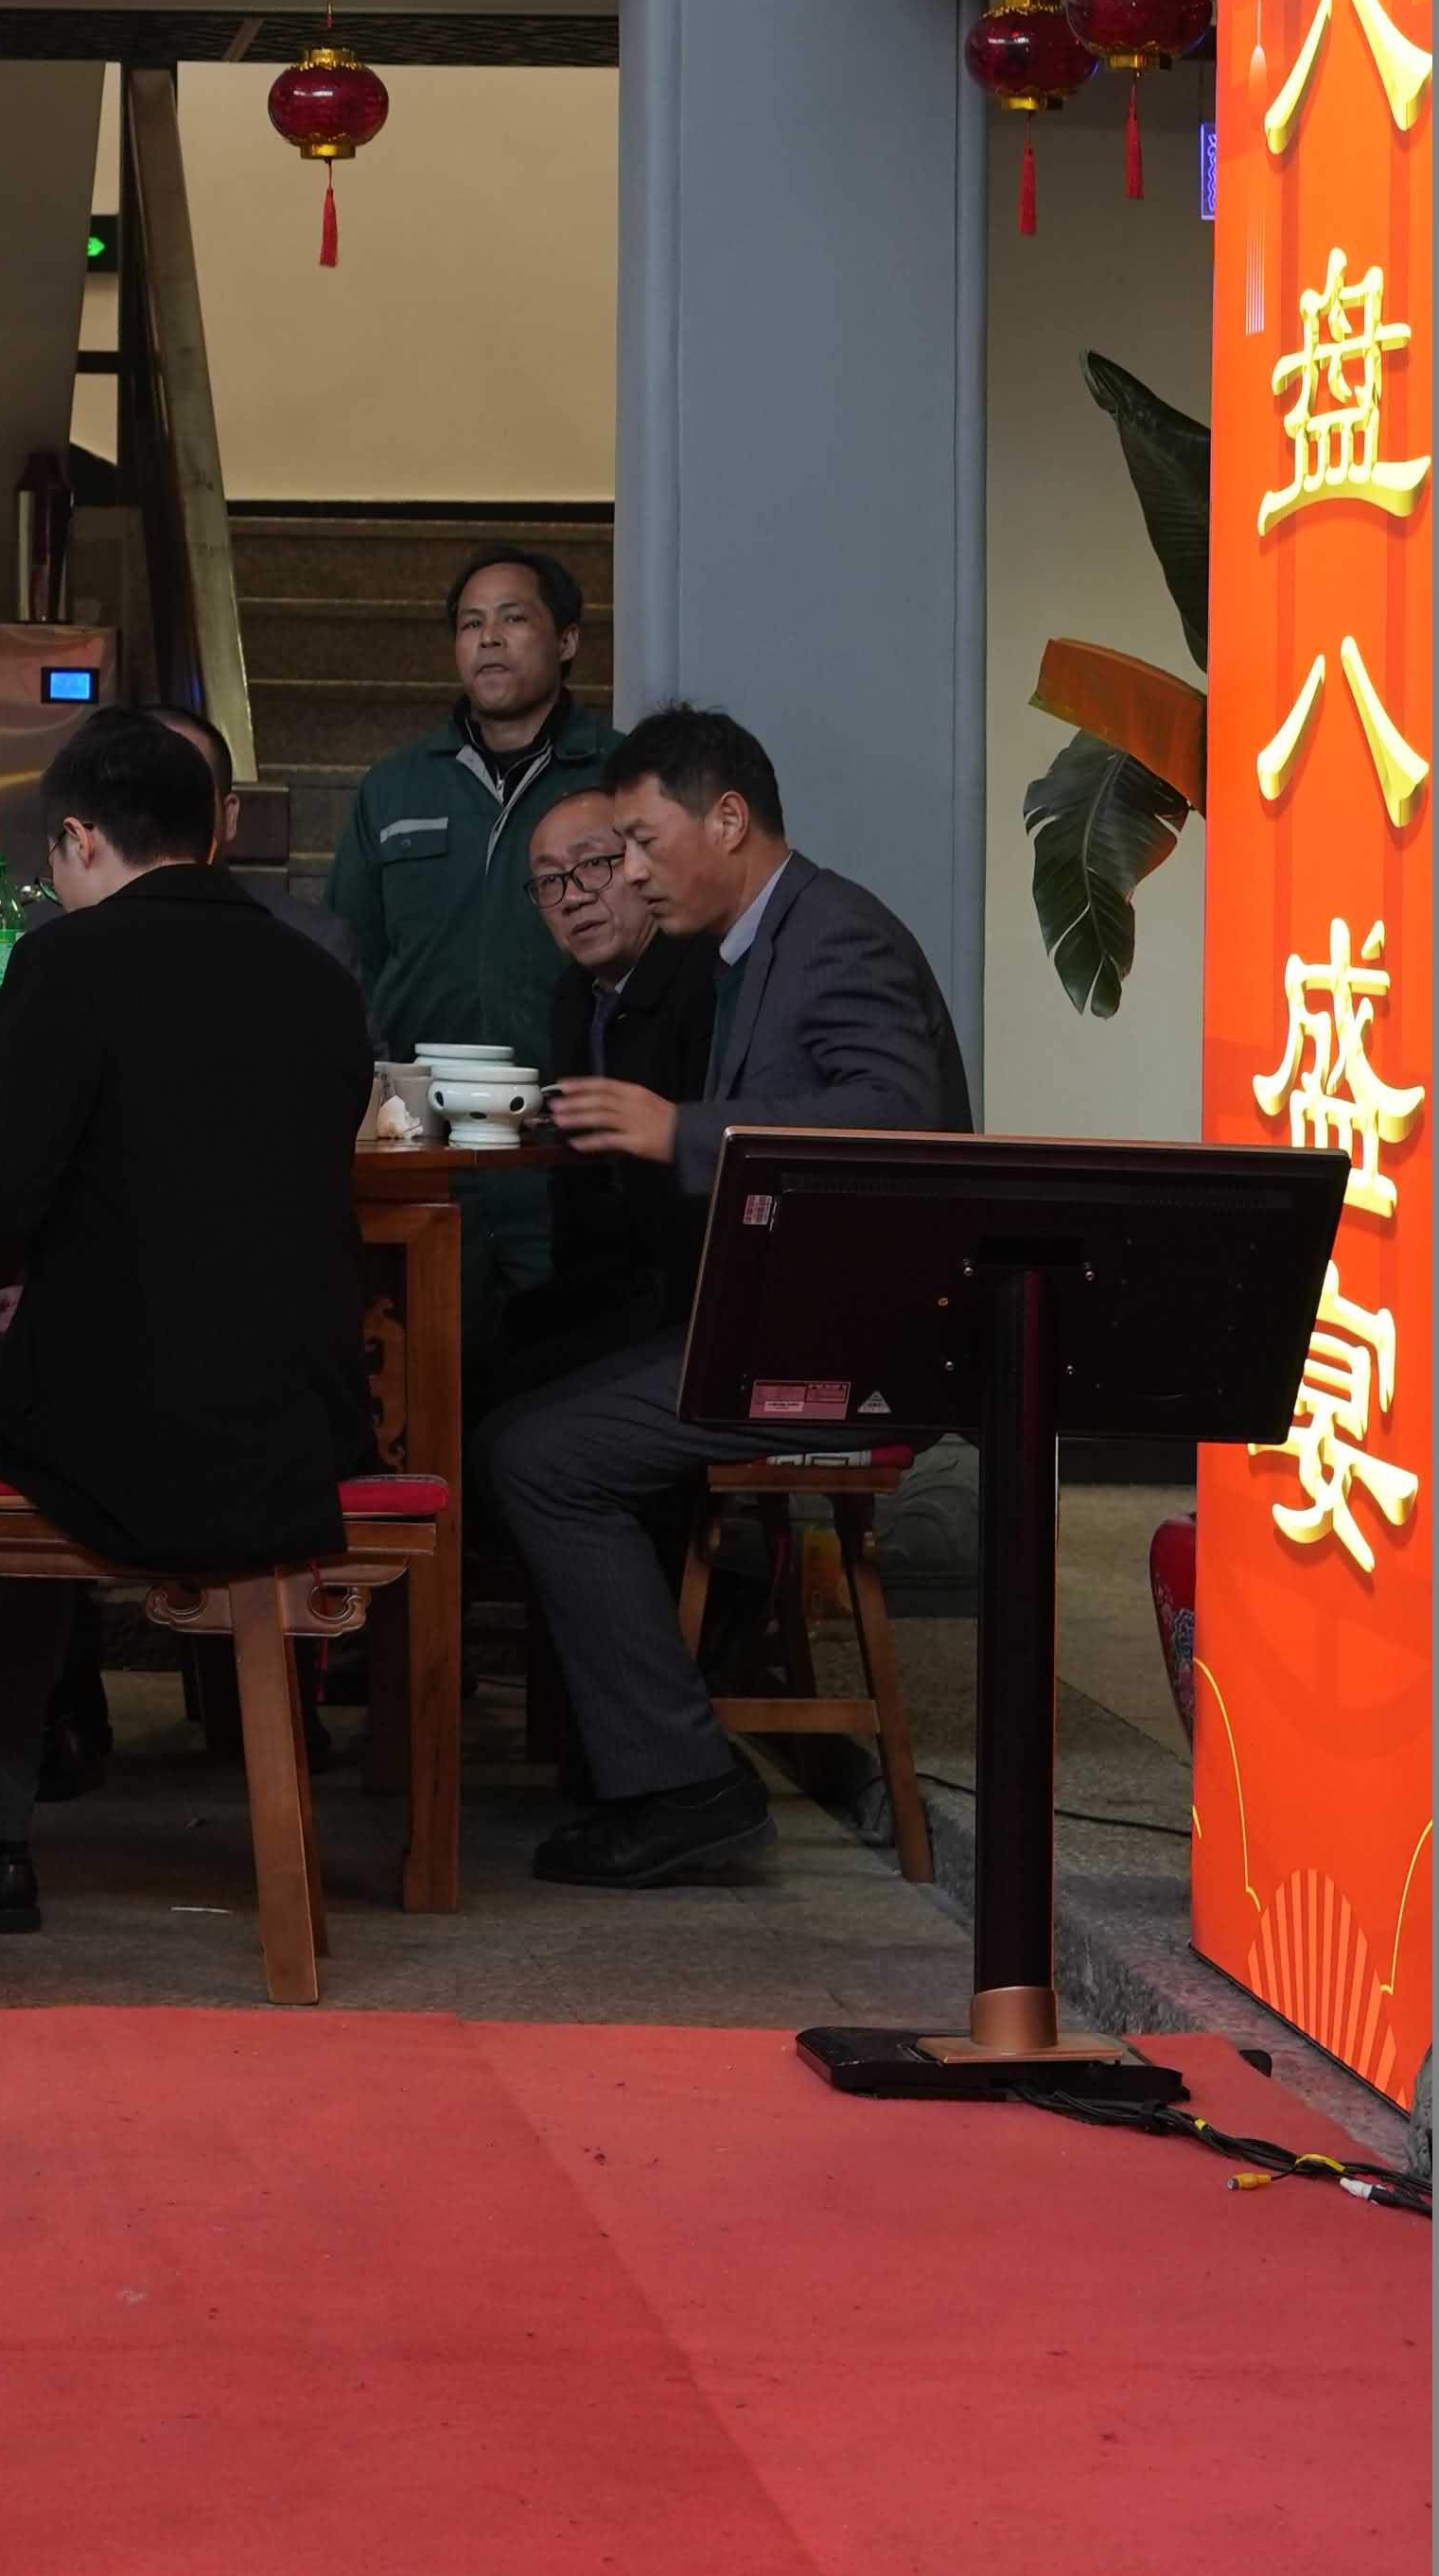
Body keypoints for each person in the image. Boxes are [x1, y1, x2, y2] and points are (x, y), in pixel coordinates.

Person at [482, 702, 970, 1888]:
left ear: (728, 819)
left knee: (538, 1457)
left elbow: (896, 1123)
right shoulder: (764, 941)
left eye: (643, 844)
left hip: (851, 1347)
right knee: (513, 1418)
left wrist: (678, 1129)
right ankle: (647, 1738)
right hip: (786, 1322)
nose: (632, 875)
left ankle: (683, 1784)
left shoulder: (833, 934)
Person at [0, 706, 375, 1933]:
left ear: (78, 839)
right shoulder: (320, 979)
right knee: (34, 1373)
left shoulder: (66, 964)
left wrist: (12, 1286)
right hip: (308, 1429)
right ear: (207, 829)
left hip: (133, 1432)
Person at [322, 550, 615, 1067]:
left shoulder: (620, 775)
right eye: (471, 623)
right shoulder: (395, 785)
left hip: (574, 1090)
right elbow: (347, 948)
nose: (489, 638)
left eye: (513, 618)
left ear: (567, 640)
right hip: (415, 1093)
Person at [483, 789, 725, 1385]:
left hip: (692, 1298)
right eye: (549, 881)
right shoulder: (573, 996)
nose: (572, 897)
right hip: (602, 1287)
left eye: (594, 864)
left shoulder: (706, 977)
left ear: (642, 866)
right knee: (467, 1363)